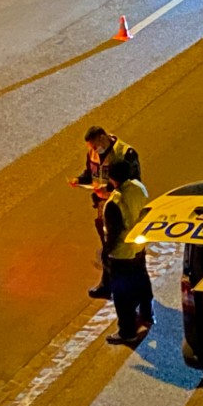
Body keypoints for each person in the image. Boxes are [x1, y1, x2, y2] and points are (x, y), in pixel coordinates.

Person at [70, 125, 141, 299]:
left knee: (124, 251)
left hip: (121, 209)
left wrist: (108, 189)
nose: (94, 150)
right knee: (108, 249)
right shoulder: (93, 153)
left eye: (95, 146)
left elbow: (132, 183)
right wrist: (79, 180)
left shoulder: (125, 153)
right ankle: (108, 284)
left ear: (103, 138)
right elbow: (91, 173)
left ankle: (131, 289)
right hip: (104, 209)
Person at [100, 168, 154, 345]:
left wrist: (106, 251)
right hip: (138, 248)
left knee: (123, 296)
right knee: (142, 282)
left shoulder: (114, 202)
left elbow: (114, 232)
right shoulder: (139, 187)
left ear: (113, 179)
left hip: (122, 254)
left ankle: (127, 332)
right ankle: (147, 314)